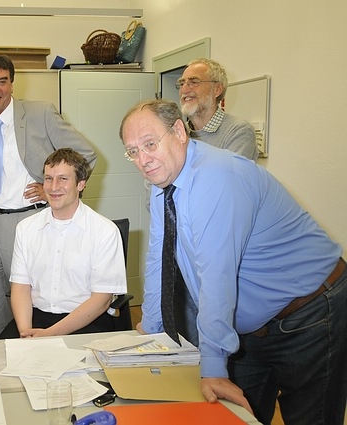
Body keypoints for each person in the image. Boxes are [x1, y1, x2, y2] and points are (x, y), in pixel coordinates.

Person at [120, 99, 346, 425]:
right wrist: (152, 332)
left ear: (180, 132)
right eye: (133, 151)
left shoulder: (216, 177)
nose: (143, 160)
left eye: (150, 144)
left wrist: (212, 366)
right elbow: (159, 258)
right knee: (233, 416)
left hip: (309, 313)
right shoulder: (163, 185)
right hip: (250, 330)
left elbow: (216, 276)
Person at [0, 54, 97, 340]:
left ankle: (36, 352)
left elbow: (85, 155)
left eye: (2, 81)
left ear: (12, 84)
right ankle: (1, 354)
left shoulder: (40, 113)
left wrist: (52, 191)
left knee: (32, 299)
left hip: (27, 218)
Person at [0, 148, 126, 339]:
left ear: (81, 184)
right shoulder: (26, 228)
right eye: (48, 178)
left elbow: (102, 300)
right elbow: (21, 287)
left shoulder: (105, 231)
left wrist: (49, 335)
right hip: (36, 317)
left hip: (87, 320)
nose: (53, 187)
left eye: (63, 179)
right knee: (0, 354)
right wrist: (25, 333)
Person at [177, 58, 258, 161]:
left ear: (217, 89)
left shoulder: (239, 131)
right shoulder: (179, 132)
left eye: (194, 82)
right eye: (182, 84)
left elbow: (228, 171)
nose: (184, 90)